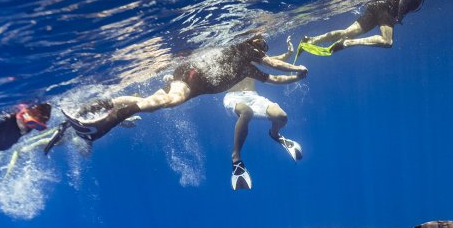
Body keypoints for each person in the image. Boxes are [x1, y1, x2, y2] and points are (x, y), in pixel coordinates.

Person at [48, 35, 307, 150]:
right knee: (169, 101)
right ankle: (110, 120)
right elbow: (274, 65)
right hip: (192, 77)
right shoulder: (243, 49)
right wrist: (297, 68)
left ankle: (95, 107)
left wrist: (294, 77)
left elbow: (273, 78)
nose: (261, 50)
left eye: (262, 48)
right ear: (252, 44)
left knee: (153, 100)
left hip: (190, 76)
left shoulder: (248, 69)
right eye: (259, 46)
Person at [294, 0, 445, 59]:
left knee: (347, 31)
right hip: (385, 9)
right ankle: (349, 43)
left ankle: (310, 40)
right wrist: (398, 14)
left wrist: (399, 15)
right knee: (387, 41)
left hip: (376, 6)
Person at [223, 74, 303, 191]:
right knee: (247, 112)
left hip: (254, 97)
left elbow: (274, 62)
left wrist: (291, 59)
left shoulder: (253, 58)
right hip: (233, 98)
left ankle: (275, 134)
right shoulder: (222, 60)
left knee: (282, 116)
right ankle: (236, 158)